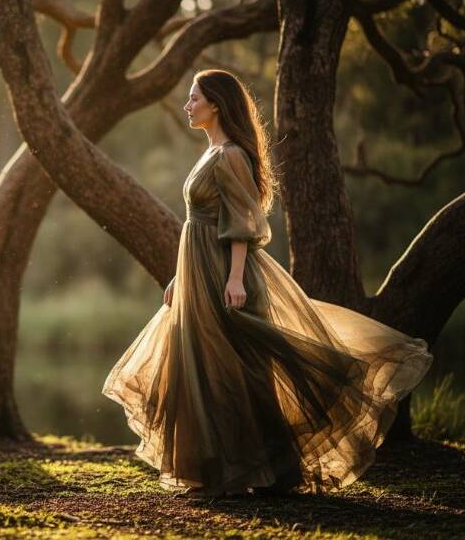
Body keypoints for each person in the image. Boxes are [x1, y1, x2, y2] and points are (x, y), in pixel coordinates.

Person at [101, 69, 433, 499]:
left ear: (216, 104)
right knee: (207, 367)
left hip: (223, 274)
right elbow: (202, 222)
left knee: (238, 371)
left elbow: (241, 222)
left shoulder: (230, 156)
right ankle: (222, 470)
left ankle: (260, 470)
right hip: (200, 271)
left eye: (194, 98)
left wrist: (235, 278)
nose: (187, 105)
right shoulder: (212, 153)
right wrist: (181, 276)